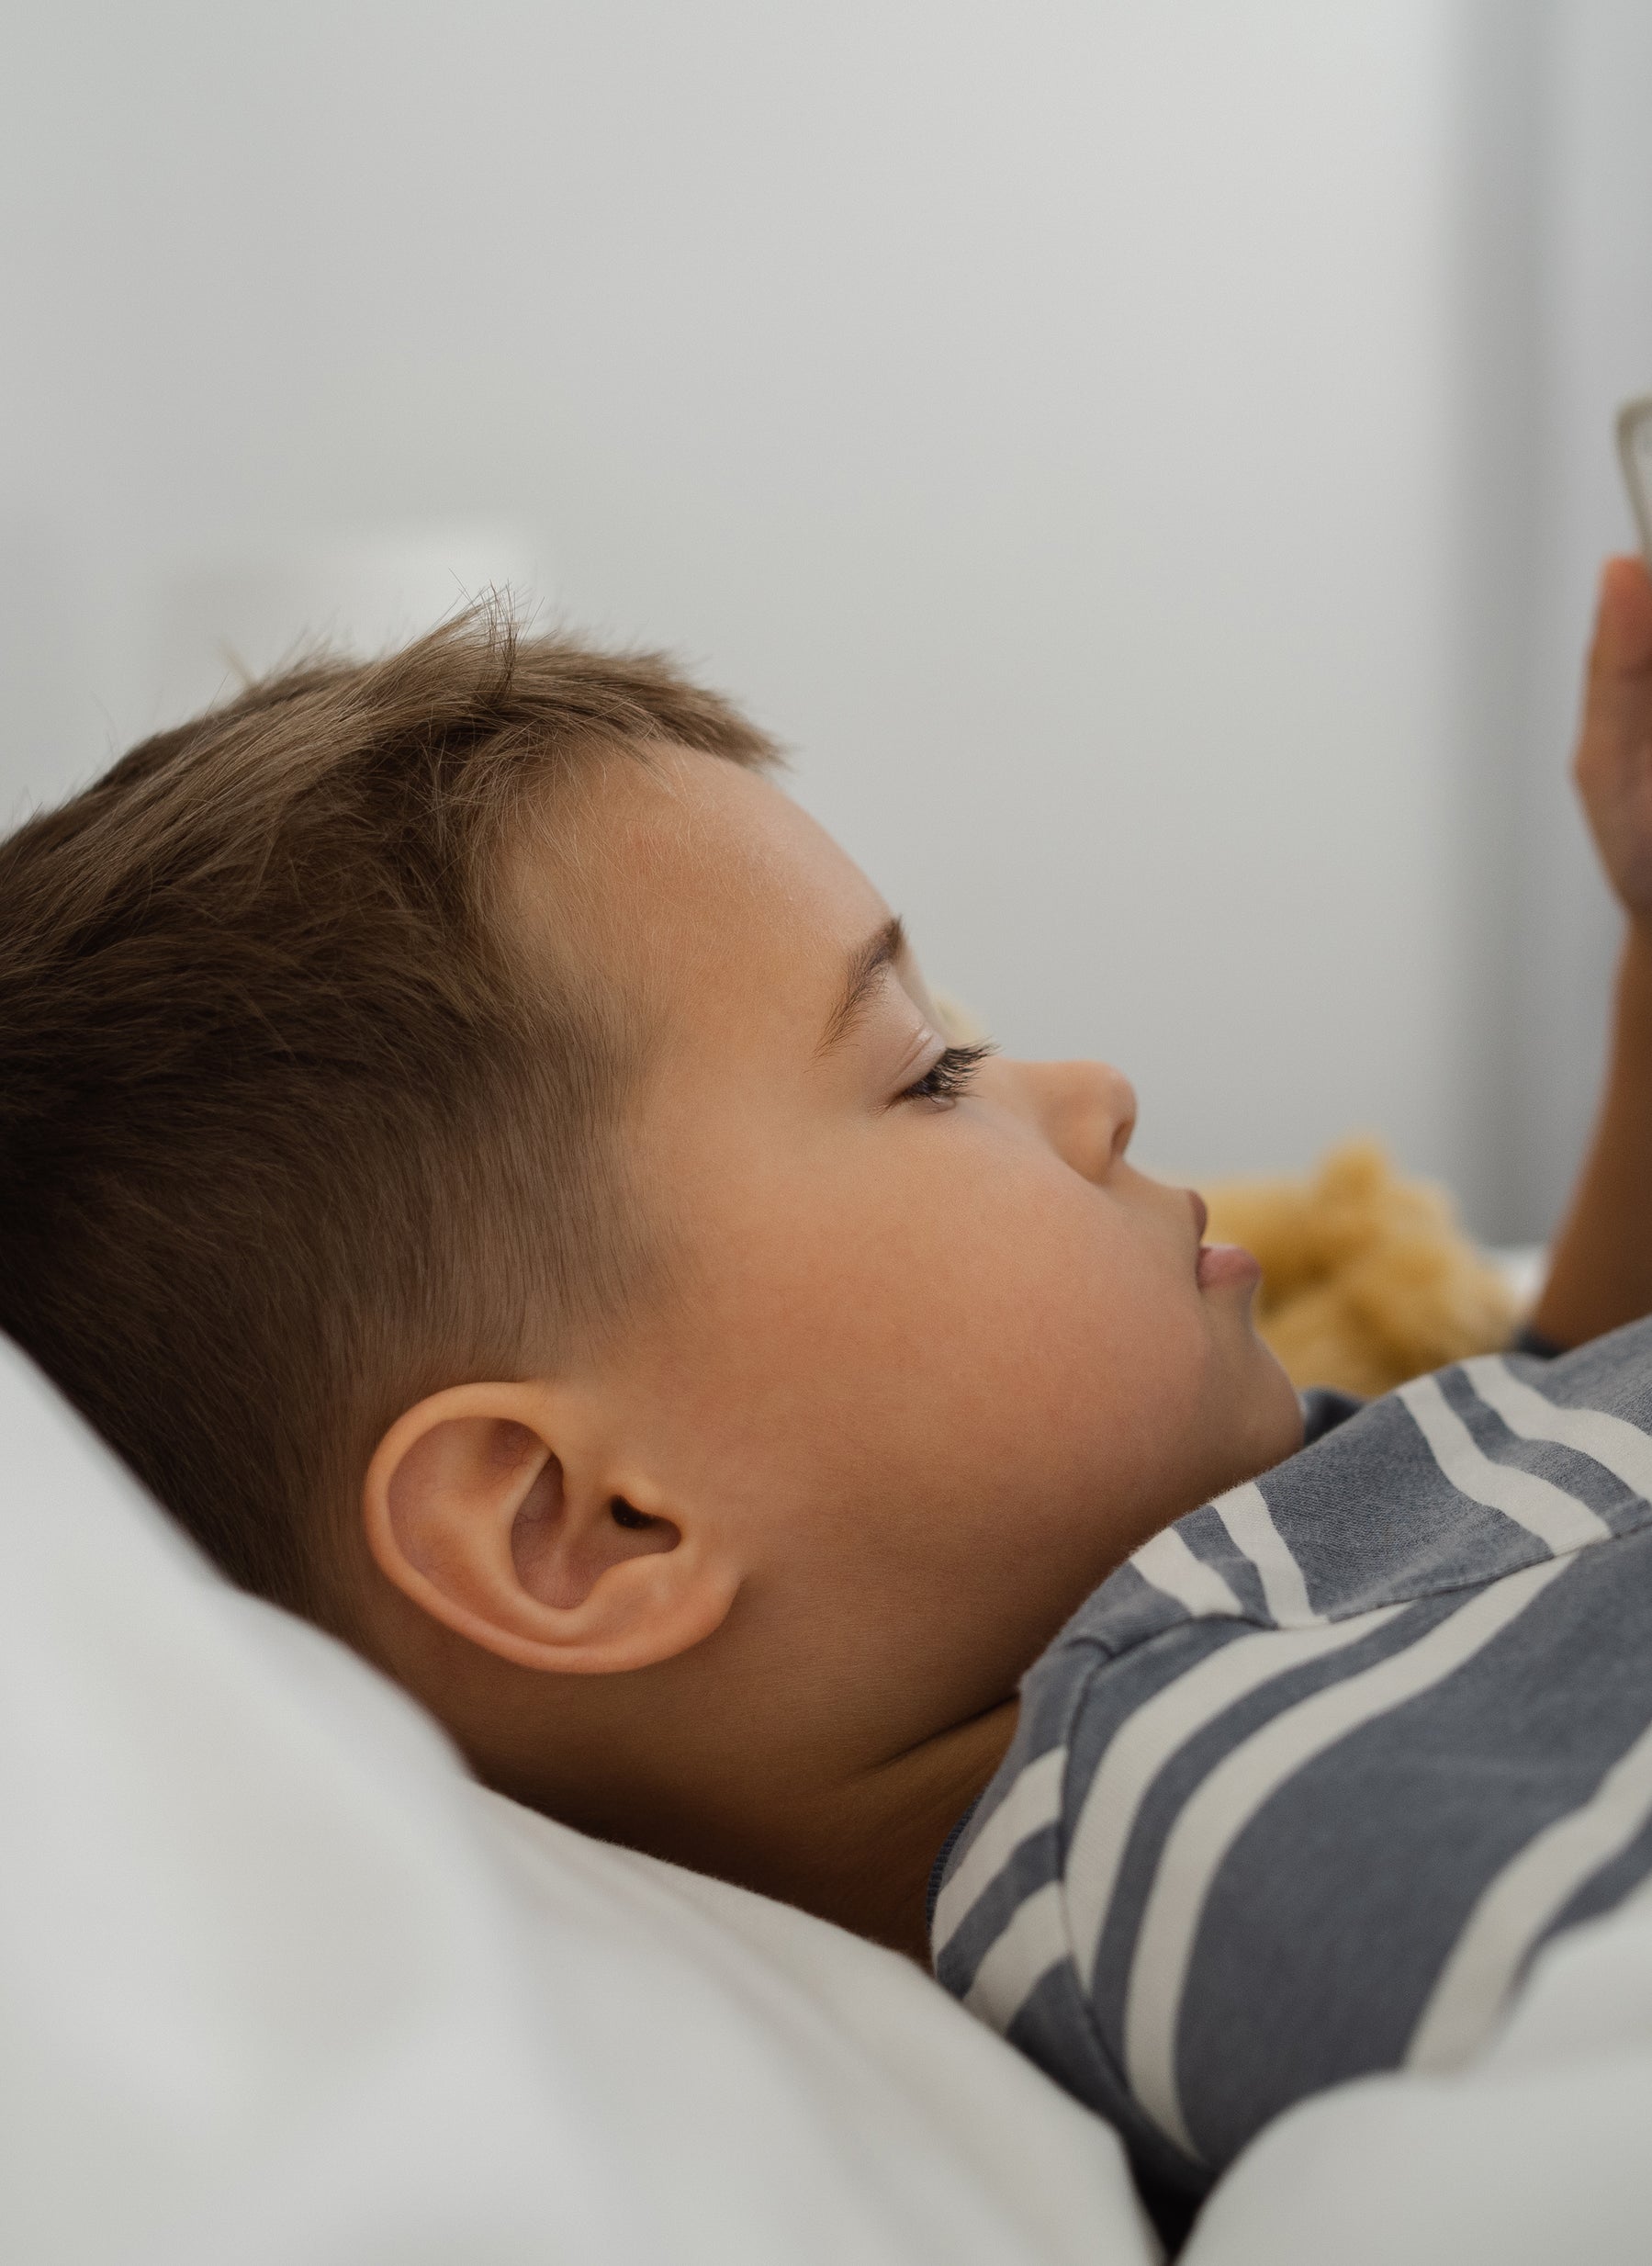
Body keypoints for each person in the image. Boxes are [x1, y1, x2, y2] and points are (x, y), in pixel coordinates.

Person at [1, 555, 1650, 2226]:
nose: (1099, 1095)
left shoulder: (1234, 1614)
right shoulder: (1217, 1827)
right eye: (931, 1074)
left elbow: (1524, 1473)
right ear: (592, 1525)